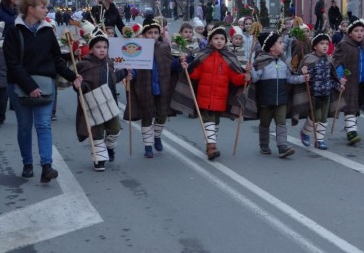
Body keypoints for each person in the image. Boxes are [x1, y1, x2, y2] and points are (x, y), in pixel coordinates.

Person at [3, 0, 82, 182]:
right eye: (42, 6)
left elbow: (56, 59)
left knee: (44, 125)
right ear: (31, 9)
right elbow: (12, 64)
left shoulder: (47, 31)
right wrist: (29, 86)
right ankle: (27, 163)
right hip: (20, 86)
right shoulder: (13, 31)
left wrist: (73, 77)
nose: (46, 10)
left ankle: (46, 166)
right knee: (24, 126)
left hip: (46, 86)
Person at [180, 27, 250, 160]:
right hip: (204, 95)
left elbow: (235, 78)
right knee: (209, 120)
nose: (219, 41)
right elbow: (195, 75)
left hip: (220, 97)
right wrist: (187, 69)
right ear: (210, 40)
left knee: (215, 122)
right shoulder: (203, 55)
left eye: (222, 39)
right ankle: (212, 146)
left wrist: (245, 77)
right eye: (216, 38)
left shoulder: (229, 57)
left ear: (226, 41)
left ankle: (210, 144)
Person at [73, 28, 129, 171]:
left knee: (115, 129)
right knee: (96, 132)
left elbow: (113, 79)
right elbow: (82, 86)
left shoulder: (109, 63)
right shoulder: (84, 64)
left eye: (105, 47)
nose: (102, 50)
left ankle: (109, 147)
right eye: (98, 47)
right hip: (93, 103)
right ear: (91, 49)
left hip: (109, 102)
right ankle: (99, 160)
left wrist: (125, 73)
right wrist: (78, 84)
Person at [124, 22, 176, 159]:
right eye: (149, 33)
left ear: (159, 34)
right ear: (144, 35)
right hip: (145, 86)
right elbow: (134, 66)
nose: (153, 36)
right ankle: (148, 146)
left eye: (155, 33)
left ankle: (157, 136)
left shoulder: (164, 47)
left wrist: (181, 63)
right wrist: (131, 74)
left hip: (161, 85)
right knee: (147, 115)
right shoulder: (137, 48)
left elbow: (170, 64)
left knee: (162, 114)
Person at [251, 31, 307, 157]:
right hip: (266, 100)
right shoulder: (262, 61)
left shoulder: (283, 62)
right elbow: (254, 79)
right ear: (271, 47)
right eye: (280, 42)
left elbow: (290, 79)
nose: (283, 45)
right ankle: (264, 145)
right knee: (265, 124)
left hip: (281, 99)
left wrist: (303, 78)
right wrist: (250, 70)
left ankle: (282, 147)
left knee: (281, 123)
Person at [296, 33, 345, 150]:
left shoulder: (329, 60)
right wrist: (304, 73)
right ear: (314, 46)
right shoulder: (309, 59)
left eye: (327, 44)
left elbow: (330, 78)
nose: (325, 46)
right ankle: (305, 133)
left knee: (323, 118)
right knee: (315, 117)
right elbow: (304, 77)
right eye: (322, 44)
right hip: (314, 94)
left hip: (326, 93)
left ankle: (319, 140)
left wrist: (338, 85)